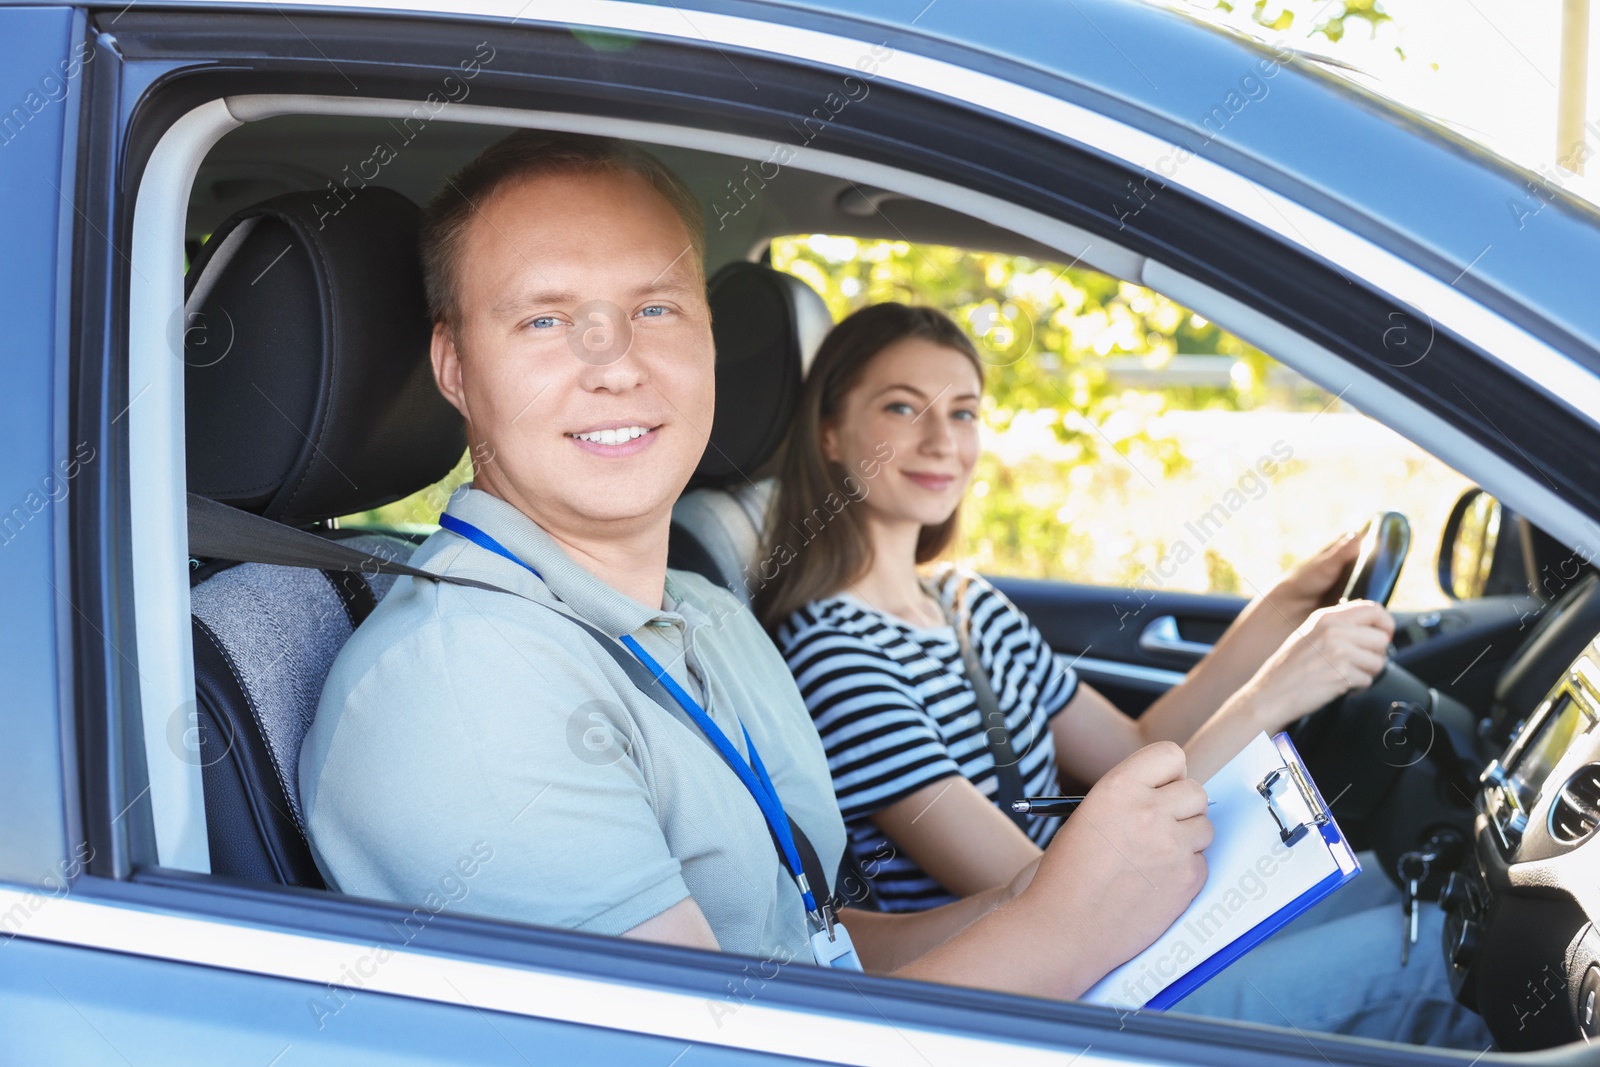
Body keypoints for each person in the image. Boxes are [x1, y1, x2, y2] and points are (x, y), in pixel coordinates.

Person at [297, 129, 1487, 1047]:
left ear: (712, 341)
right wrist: (1059, 922)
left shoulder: (698, 616)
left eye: (656, 306)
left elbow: (808, 944)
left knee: (1403, 916)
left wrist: (1046, 893)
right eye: (547, 317)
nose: (616, 361)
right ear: (453, 364)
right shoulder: (466, 687)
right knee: (1428, 959)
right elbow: (722, 1047)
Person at [758, 301, 1490, 1044]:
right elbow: (1052, 887)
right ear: (829, 433)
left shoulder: (963, 601)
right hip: (1069, 986)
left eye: (966, 411)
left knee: (1397, 885)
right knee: (1439, 951)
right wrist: (1276, 692)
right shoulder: (833, 654)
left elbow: (1136, 742)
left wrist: (1281, 608)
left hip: (1129, 925)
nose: (942, 439)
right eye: (901, 407)